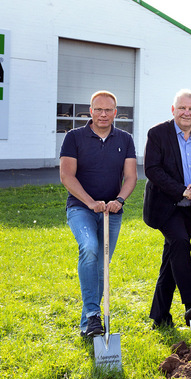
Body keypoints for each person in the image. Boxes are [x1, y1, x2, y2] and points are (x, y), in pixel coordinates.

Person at [59, 90, 138, 337]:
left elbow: (131, 176)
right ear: (90, 111)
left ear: (116, 113)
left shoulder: (125, 139)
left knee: (102, 265)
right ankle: (94, 315)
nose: (103, 114)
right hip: (81, 208)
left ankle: (89, 325)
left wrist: (120, 200)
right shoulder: (74, 137)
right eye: (98, 109)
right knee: (91, 248)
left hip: (111, 212)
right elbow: (66, 176)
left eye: (108, 110)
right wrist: (91, 202)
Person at [143, 89, 191, 327]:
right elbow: (152, 169)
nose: (186, 112)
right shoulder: (158, 133)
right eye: (182, 108)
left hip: (190, 208)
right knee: (181, 243)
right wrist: (181, 189)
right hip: (165, 206)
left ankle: (160, 316)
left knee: (172, 257)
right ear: (173, 109)